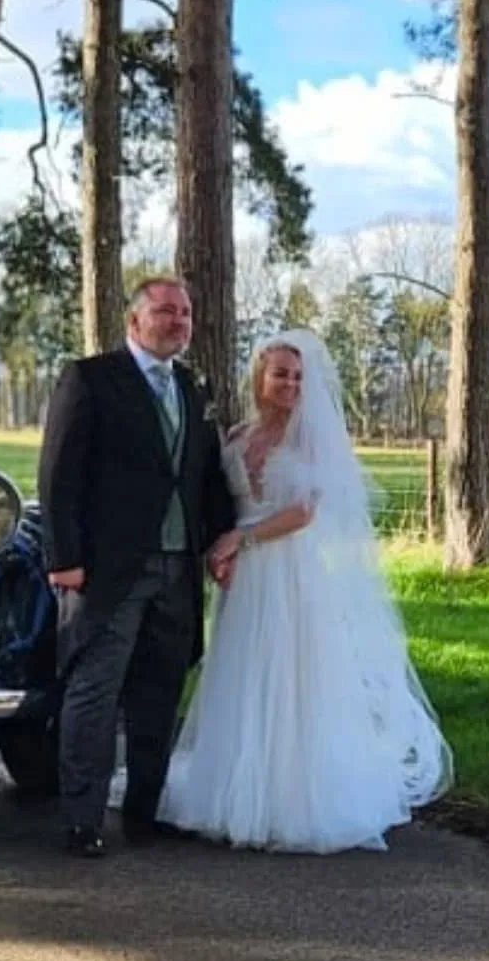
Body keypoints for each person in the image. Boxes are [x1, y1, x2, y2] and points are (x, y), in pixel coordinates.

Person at [157, 329, 453, 852]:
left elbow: (303, 512)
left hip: (290, 569)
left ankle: (291, 796)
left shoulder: (311, 437)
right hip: (243, 575)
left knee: (291, 674)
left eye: (298, 377)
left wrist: (240, 540)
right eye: (280, 374)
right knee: (243, 672)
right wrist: (219, 550)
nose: (290, 384)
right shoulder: (236, 435)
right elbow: (220, 502)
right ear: (259, 377)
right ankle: (234, 789)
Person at [38, 276, 236, 858]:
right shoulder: (91, 379)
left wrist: (221, 538)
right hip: (108, 571)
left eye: (186, 313)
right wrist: (64, 560)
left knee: (159, 696)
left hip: (177, 571)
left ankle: (145, 814)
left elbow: (203, 477)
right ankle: (82, 819)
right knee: (94, 694)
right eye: (165, 311)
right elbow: (58, 475)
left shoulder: (193, 388)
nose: (178, 321)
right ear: (134, 321)